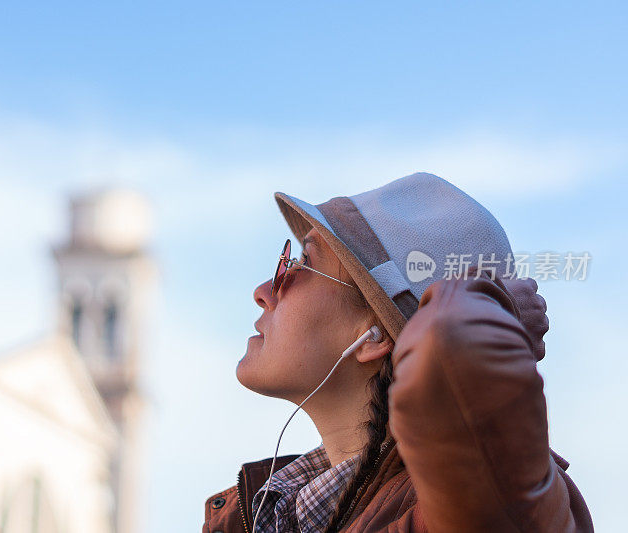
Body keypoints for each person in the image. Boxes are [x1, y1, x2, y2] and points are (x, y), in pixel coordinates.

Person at [202, 173, 593, 532]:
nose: (263, 291)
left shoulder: (481, 495)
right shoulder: (264, 513)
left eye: (303, 263)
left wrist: (498, 306)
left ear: (372, 337)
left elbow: (450, 343)